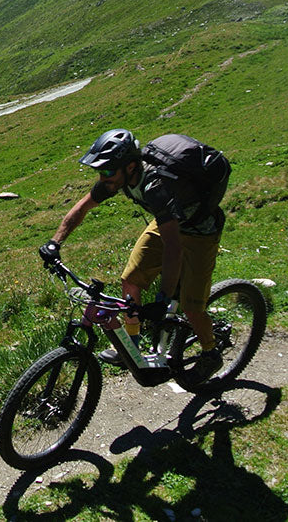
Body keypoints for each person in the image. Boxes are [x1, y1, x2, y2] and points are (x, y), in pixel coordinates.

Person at [38, 128, 230, 385]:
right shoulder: (117, 179)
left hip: (198, 232)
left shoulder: (156, 187)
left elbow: (174, 249)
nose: (102, 177)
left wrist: (162, 298)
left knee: (192, 307)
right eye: (100, 171)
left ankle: (210, 352)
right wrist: (54, 242)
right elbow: (83, 206)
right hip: (167, 223)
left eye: (107, 171)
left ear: (129, 167)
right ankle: (131, 346)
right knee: (130, 280)